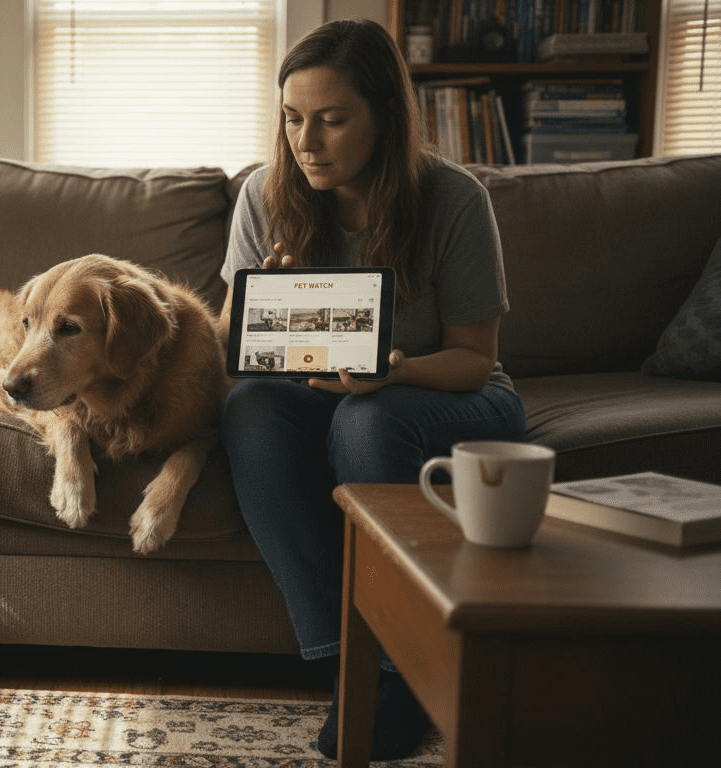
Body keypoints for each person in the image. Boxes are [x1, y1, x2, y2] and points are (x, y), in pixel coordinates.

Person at [218, 19, 527, 760]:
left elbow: (474, 359)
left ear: (385, 115)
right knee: (251, 408)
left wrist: (396, 370)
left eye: (331, 119)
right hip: (324, 393)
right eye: (292, 119)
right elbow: (231, 345)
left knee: (366, 419)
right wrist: (272, 297)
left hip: (448, 391)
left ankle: (398, 673)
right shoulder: (267, 195)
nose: (307, 141)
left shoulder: (451, 198)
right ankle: (351, 664)